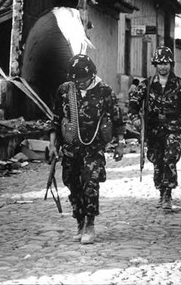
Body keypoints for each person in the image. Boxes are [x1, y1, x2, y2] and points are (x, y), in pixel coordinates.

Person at [48, 54, 125, 245]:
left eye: (83, 80)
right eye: (76, 80)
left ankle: (90, 224)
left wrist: (120, 144)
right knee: (73, 184)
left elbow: (117, 120)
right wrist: (52, 144)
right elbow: (56, 119)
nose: (80, 84)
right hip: (70, 148)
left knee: (90, 184)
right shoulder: (65, 90)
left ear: (92, 75)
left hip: (93, 148)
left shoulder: (104, 91)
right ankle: (79, 221)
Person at [129, 46, 181, 210]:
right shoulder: (147, 84)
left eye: (166, 63)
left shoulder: (179, 85)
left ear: (171, 64)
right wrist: (135, 118)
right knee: (157, 161)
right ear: (155, 64)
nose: (163, 66)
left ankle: (168, 195)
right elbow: (133, 103)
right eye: (160, 63)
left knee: (170, 158)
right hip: (154, 130)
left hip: (173, 129)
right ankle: (161, 191)